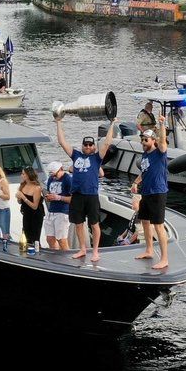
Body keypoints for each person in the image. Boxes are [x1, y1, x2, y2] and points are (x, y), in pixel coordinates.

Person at [55, 111, 118, 262]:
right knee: (78, 223)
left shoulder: (97, 158)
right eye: (86, 144)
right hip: (77, 195)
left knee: (94, 224)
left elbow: (107, 143)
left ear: (94, 147)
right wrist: (58, 122)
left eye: (90, 144)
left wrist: (112, 124)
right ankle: (83, 248)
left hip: (91, 195)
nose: (88, 146)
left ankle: (95, 251)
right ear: (82, 146)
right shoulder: (76, 155)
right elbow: (62, 142)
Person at [130, 122, 170, 269]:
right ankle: (149, 250)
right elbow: (144, 171)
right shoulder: (145, 154)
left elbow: (163, 141)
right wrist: (135, 182)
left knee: (158, 226)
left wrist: (161, 125)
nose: (143, 142)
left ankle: (165, 259)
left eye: (146, 140)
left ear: (153, 140)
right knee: (145, 222)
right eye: (142, 140)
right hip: (146, 193)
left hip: (157, 193)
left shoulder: (160, 152)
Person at [43, 161, 73, 251]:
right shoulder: (51, 179)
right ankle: (55, 256)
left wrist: (59, 197)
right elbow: (49, 192)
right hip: (51, 211)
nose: (54, 177)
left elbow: (74, 199)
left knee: (61, 239)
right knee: (50, 239)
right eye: (52, 175)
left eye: (55, 175)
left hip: (62, 212)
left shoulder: (68, 179)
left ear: (61, 170)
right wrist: (48, 197)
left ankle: (67, 259)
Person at [16, 166, 45, 251]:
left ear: (28, 175)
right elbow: (20, 202)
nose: (21, 175)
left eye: (23, 174)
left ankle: (37, 254)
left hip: (36, 215)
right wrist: (18, 198)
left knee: (35, 238)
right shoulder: (22, 185)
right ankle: (27, 253)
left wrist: (23, 197)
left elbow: (35, 206)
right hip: (26, 214)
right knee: (26, 235)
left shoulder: (37, 188)